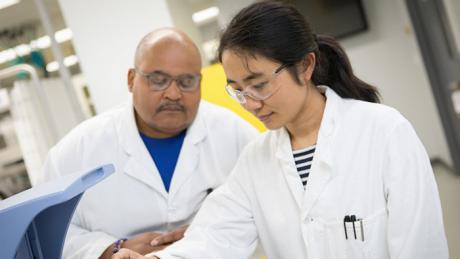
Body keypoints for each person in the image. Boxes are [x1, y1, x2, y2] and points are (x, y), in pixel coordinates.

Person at [112, 1, 449, 259]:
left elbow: (421, 245)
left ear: (305, 66)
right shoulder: (256, 161)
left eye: (258, 84)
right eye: (237, 89)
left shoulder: (384, 133)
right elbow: (213, 237)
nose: (250, 103)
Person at [37, 28, 258, 259]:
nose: (173, 94)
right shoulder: (76, 151)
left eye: (186, 81)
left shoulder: (235, 134)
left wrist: (207, 236)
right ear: (132, 80)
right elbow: (44, 233)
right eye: (158, 80)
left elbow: (264, 208)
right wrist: (109, 249)